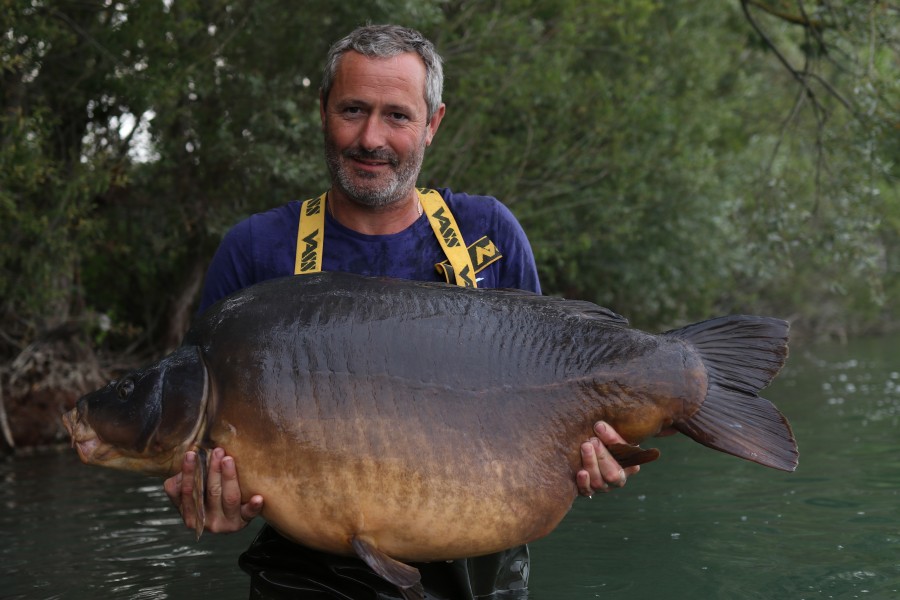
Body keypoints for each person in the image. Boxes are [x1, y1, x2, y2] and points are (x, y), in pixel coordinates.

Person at [164, 24, 641, 599]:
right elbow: (199, 441)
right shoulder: (255, 251)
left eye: (397, 115)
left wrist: (591, 457)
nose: (371, 137)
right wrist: (210, 501)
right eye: (352, 109)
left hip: (479, 566)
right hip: (308, 576)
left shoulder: (488, 232)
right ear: (322, 111)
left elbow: (553, 403)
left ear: (433, 124)